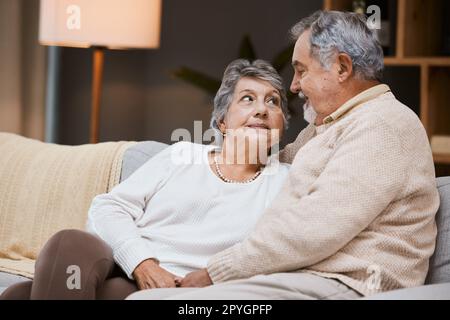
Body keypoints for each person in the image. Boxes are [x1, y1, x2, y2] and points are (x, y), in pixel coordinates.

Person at [128, 10, 440, 300]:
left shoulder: (381, 125)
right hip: (309, 276)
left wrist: (215, 272)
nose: (293, 86)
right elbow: (276, 165)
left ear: (342, 68)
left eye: (301, 70)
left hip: (351, 283)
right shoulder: (331, 125)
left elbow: (315, 230)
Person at [0, 59, 291, 300]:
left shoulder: (286, 182)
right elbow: (107, 209)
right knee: (69, 243)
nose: (262, 110)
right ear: (222, 121)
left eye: (273, 102)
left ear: (281, 126)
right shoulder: (181, 155)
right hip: (126, 267)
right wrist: (143, 263)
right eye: (248, 99)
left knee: (19, 296)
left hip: (185, 293)